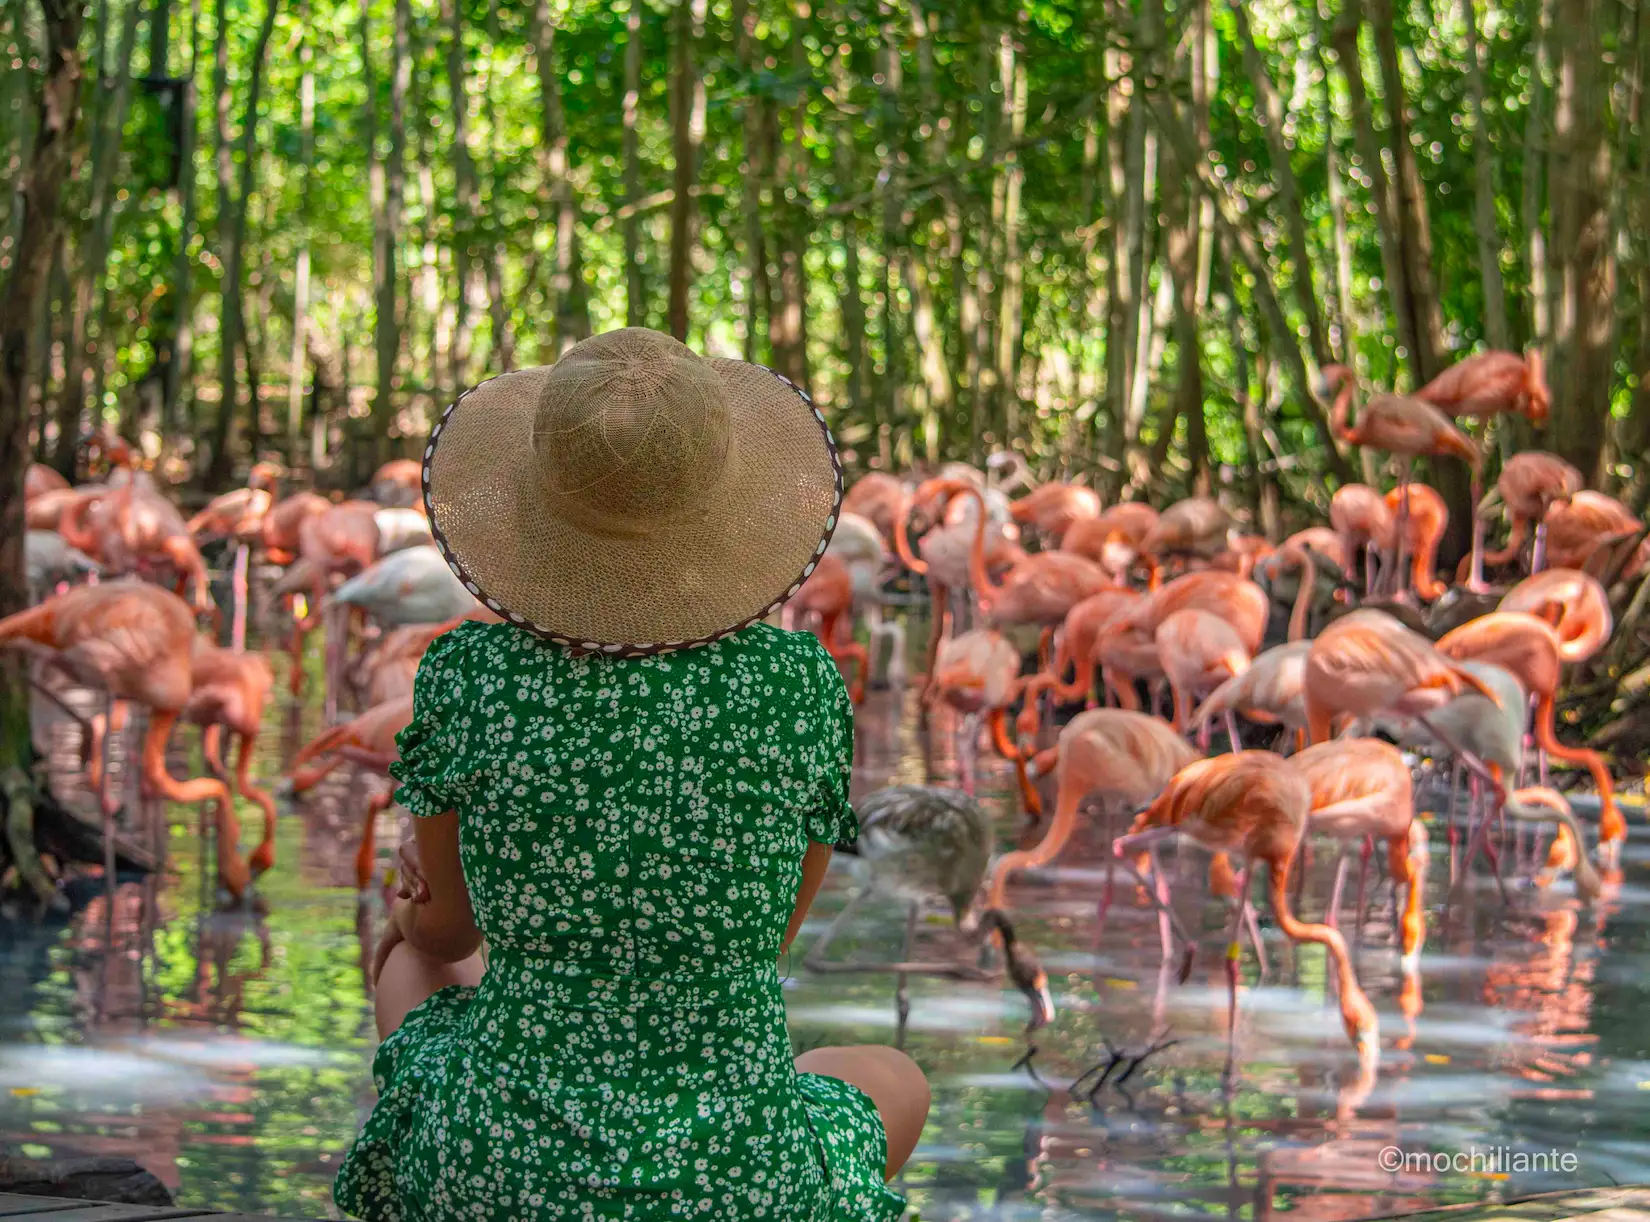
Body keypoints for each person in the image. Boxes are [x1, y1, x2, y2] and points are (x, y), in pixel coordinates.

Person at [333, 328, 929, 1221]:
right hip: (736, 1177)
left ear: (537, 502)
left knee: (408, 965)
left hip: (499, 1172)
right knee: (893, 1077)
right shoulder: (802, 686)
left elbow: (450, 938)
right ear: (724, 508)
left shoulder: (470, 675)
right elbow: (762, 951)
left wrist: (407, 906)